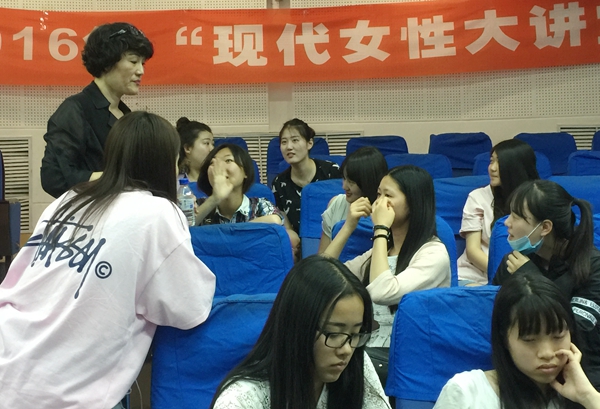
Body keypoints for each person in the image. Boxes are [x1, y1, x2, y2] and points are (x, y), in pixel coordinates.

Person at [0, 112, 216, 408]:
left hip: (9, 356)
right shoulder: (159, 213)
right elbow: (189, 307)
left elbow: (17, 281)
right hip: (65, 390)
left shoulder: (68, 199)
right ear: (167, 162)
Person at [210, 256, 391, 409]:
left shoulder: (356, 361)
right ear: (298, 328)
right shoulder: (241, 400)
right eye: (334, 333)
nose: (346, 350)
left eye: (356, 333)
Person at [324, 165, 451, 347]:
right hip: (369, 345)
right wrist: (349, 226)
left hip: (410, 348)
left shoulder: (433, 253)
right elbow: (323, 276)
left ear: (413, 203)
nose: (379, 203)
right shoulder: (381, 252)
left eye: (388, 196)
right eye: (378, 194)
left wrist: (380, 229)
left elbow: (381, 291)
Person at [435, 271, 600, 409]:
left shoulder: (578, 394)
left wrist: (587, 396)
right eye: (530, 340)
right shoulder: (467, 393)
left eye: (558, 336)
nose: (547, 353)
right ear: (504, 339)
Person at [492, 179, 600, 389]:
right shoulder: (513, 262)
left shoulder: (593, 267)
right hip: (523, 374)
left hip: (583, 375)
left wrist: (532, 280)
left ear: (545, 227)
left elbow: (578, 333)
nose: (507, 223)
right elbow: (497, 321)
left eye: (516, 216)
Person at [41, 22, 153, 198]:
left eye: (142, 63)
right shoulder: (75, 110)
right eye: (133, 61)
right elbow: (54, 179)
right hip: (91, 210)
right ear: (107, 63)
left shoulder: (126, 115)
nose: (141, 71)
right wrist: (119, 181)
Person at [458, 139, 539, 285]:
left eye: (499, 162)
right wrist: (503, 274)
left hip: (524, 277)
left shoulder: (537, 198)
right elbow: (473, 251)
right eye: (491, 161)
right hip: (476, 276)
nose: (492, 168)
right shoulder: (477, 197)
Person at [195, 143, 300, 251]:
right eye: (212, 163)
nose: (219, 168)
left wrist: (232, 233)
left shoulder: (259, 205)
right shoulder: (199, 206)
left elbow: (275, 220)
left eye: (228, 160)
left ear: (245, 172)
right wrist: (215, 198)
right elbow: (184, 228)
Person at [271, 118, 341, 233]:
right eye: (284, 142)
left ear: (309, 143)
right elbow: (287, 227)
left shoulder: (332, 171)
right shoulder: (279, 183)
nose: (289, 147)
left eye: (295, 140)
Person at [317, 147, 388, 254]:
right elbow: (322, 256)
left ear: (368, 182)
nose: (344, 186)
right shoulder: (336, 204)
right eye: (344, 178)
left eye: (351, 182)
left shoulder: (386, 211)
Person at [176, 117, 214, 182]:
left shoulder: (217, 181)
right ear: (187, 148)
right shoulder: (177, 184)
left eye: (213, 144)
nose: (212, 149)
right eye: (206, 143)